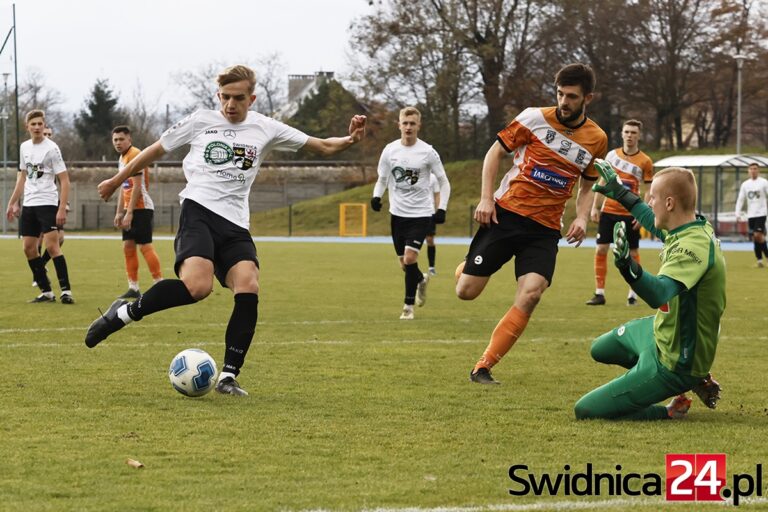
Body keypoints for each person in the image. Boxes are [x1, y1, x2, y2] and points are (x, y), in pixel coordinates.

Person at [85, 64, 366, 396]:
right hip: (198, 212)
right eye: (225, 97)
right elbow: (153, 151)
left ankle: (228, 376)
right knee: (197, 287)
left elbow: (323, 146)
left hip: (235, 224)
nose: (231, 105)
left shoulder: (265, 127)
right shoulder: (200, 121)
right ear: (218, 96)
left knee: (249, 285)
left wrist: (350, 139)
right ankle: (125, 313)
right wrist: (117, 180)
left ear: (252, 97)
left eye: (239, 98)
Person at [458, 63, 608, 385]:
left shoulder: (597, 139)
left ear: (588, 98)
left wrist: (582, 216)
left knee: (531, 293)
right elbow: (493, 154)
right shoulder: (533, 118)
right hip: (506, 215)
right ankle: (467, 267)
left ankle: (482, 366)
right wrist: (486, 199)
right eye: (559, 94)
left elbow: (587, 183)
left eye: (571, 96)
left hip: (544, 230)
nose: (564, 102)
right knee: (466, 292)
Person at [574, 163, 724, 420]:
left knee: (586, 410)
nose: (648, 201)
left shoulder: (693, 248)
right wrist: (619, 192)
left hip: (677, 361)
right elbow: (649, 218)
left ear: (669, 203)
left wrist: (628, 267)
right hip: (659, 333)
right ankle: (692, 380)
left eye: (652, 196)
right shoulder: (688, 227)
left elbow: (659, 294)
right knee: (600, 349)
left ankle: (671, 409)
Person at [370, 106, 450, 320]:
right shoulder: (390, 150)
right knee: (405, 265)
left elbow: (443, 181)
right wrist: (376, 196)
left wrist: (441, 208)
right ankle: (421, 280)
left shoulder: (428, 152)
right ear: (399, 125)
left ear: (418, 126)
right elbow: (382, 178)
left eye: (412, 123)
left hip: (421, 214)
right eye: (405, 123)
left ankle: (408, 308)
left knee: (409, 257)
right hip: (397, 215)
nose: (408, 127)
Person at [5, 110, 74, 304]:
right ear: (27, 126)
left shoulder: (52, 148)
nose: (37, 127)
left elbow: (65, 181)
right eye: (33, 124)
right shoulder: (24, 147)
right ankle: (46, 292)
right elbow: (23, 177)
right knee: (28, 248)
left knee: (53, 246)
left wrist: (61, 208)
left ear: (44, 126)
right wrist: (12, 202)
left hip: (47, 203)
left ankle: (66, 291)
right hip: (29, 204)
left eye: (40, 124)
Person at [586, 119, 654, 306]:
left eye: (633, 132)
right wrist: (595, 206)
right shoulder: (611, 156)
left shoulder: (645, 161)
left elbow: (649, 190)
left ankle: (633, 292)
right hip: (609, 211)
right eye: (627, 132)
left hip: (631, 213)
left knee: (632, 253)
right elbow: (602, 181)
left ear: (639, 135)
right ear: (622, 133)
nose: (630, 136)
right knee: (601, 248)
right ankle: (599, 293)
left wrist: (643, 214)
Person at [112, 125, 163, 299]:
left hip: (141, 208)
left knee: (144, 245)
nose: (118, 143)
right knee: (128, 246)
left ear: (129, 139)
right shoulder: (122, 158)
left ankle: (159, 284)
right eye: (115, 140)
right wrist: (120, 211)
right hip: (131, 209)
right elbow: (123, 187)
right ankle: (133, 288)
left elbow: (137, 187)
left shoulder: (134, 154)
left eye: (121, 139)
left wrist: (130, 212)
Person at [31, 124, 66, 288]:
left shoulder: (53, 152)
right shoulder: (32, 152)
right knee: (38, 238)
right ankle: (38, 274)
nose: (48, 136)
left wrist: (63, 204)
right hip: (37, 202)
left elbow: (62, 181)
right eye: (46, 133)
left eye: (50, 134)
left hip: (52, 201)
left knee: (60, 238)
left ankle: (41, 266)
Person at [734, 163, 768, 267]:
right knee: (755, 237)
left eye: (755, 169)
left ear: (758, 171)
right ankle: (759, 261)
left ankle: (766, 256)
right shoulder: (745, 184)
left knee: (758, 235)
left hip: (761, 213)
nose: (753, 170)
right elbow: (741, 199)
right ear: (748, 171)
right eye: (751, 169)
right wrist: (737, 212)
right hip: (751, 215)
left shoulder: (764, 182)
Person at [425, 173, 441, 276]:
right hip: (414, 212)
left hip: (429, 211)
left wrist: (439, 210)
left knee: (430, 240)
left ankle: (431, 267)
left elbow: (437, 194)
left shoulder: (432, 177)